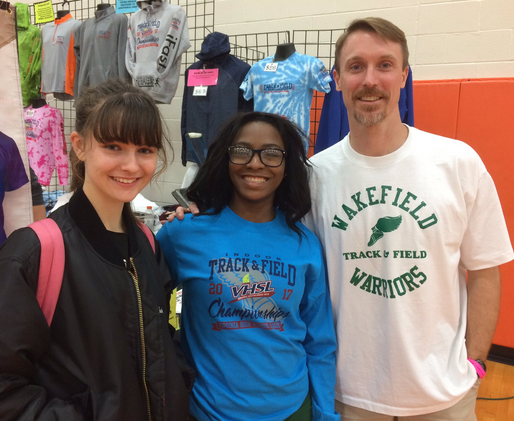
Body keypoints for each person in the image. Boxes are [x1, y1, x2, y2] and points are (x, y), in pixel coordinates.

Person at [303, 17, 514, 420]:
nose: (370, 80)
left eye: (384, 65)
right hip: (348, 395)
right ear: (337, 80)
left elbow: (486, 270)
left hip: (444, 396)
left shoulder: (458, 162)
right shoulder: (315, 175)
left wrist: (476, 363)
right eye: (355, 66)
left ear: (403, 76)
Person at [0, 79, 190, 420]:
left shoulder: (147, 242)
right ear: (80, 146)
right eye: (114, 147)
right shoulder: (34, 252)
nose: (131, 166)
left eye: (145, 150)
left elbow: (164, 339)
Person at [157, 111, 339, 421]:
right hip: (207, 411)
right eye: (242, 151)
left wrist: (324, 412)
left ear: (286, 166)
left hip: (293, 410)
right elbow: (151, 311)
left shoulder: (304, 244)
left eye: (271, 154)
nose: (255, 163)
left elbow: (319, 341)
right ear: (226, 159)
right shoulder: (183, 234)